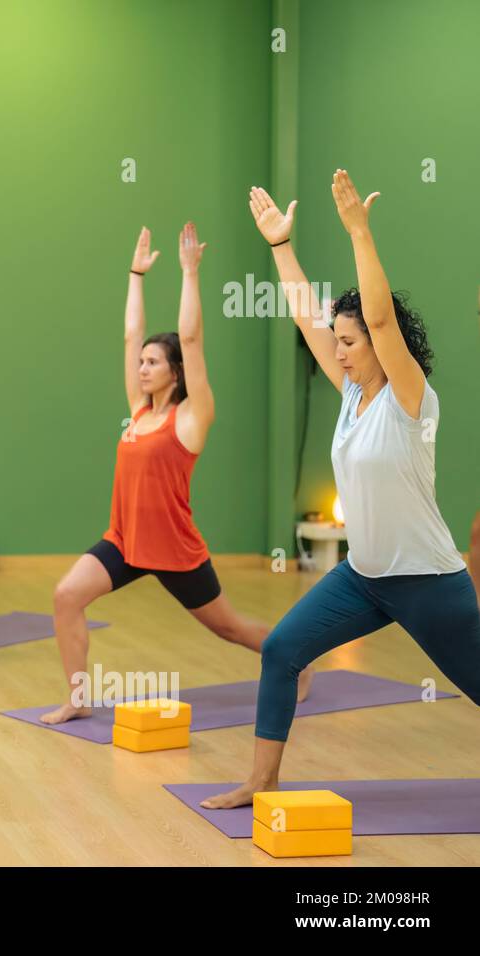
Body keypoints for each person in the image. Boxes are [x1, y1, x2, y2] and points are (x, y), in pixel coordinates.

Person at [202, 171, 480, 809]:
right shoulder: (353, 392)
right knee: (280, 651)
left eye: (350, 342)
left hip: (430, 584)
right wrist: (280, 247)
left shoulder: (411, 397)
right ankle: (260, 781)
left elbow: (378, 317)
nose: (341, 351)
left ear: (387, 348)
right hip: (364, 577)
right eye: (341, 341)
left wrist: (359, 232)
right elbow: (307, 320)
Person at [43, 224, 311, 724]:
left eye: (152, 362)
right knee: (65, 596)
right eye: (141, 361)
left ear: (176, 371)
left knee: (228, 628)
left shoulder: (191, 417)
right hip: (124, 542)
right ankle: (77, 698)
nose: (142, 368)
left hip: (174, 550)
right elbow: (128, 334)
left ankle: (297, 660)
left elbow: (190, 337)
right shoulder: (138, 412)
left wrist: (190, 273)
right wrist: (136, 275)